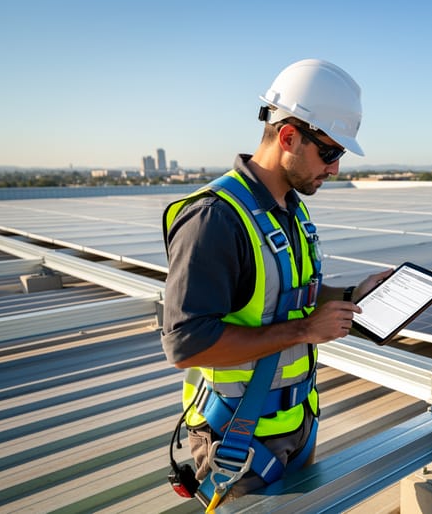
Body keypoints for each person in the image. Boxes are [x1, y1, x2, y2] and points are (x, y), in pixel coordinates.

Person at [161, 58, 391, 509]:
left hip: (294, 424)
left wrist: (350, 296)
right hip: (236, 441)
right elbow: (185, 345)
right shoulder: (215, 218)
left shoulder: (290, 208)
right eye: (330, 153)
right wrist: (306, 331)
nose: (336, 169)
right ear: (288, 136)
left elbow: (285, 298)